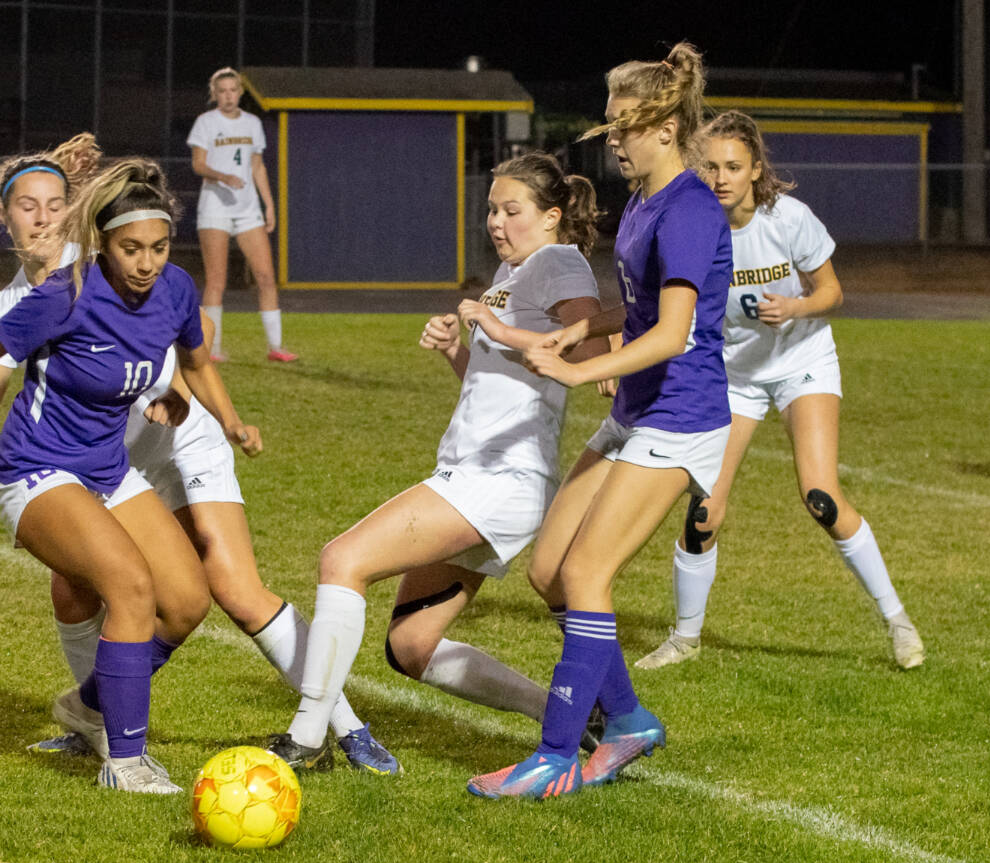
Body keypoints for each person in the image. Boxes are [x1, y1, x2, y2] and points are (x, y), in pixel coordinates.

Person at [0, 144, 400, 775]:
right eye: (25, 207)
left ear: (78, 215)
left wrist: (185, 398)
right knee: (76, 588)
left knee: (229, 588)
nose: (41, 219)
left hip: (185, 435)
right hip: (102, 462)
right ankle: (99, 718)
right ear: (2, 218)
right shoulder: (18, 304)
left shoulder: (123, 252)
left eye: (55, 205)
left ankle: (344, 726)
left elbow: (181, 340)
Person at [0, 158, 259, 795]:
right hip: (35, 472)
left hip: (107, 470)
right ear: (103, 243)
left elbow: (198, 361)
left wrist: (232, 421)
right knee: (129, 587)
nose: (146, 263)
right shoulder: (64, 295)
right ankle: (125, 764)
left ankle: (87, 703)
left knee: (185, 603)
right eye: (131, 249)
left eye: (158, 248)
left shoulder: (176, 289)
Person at [266, 152, 607, 772]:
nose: (497, 223)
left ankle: (308, 738)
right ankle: (565, 711)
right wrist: (459, 351)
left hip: (499, 480)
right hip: (481, 475)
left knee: (342, 560)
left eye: (513, 210)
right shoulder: (514, 269)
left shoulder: (558, 261)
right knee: (411, 646)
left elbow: (591, 342)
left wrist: (495, 328)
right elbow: (499, 383)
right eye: (492, 210)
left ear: (552, 216)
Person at [467, 41, 732, 799]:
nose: (612, 139)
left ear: (665, 127)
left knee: (587, 572)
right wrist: (581, 329)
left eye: (623, 126)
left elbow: (674, 333)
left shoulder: (686, 209)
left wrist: (581, 368)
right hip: (640, 408)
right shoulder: (647, 202)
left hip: (680, 418)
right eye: (609, 126)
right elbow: (644, 312)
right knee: (551, 572)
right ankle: (629, 721)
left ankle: (553, 756)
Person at [634, 110, 925, 671]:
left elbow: (833, 291)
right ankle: (685, 639)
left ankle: (898, 622)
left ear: (755, 169)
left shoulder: (787, 218)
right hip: (734, 377)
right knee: (703, 511)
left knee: (821, 496)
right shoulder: (694, 223)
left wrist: (795, 307)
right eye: (711, 166)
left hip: (801, 363)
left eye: (734, 167)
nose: (721, 178)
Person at [188, 66, 296, 363]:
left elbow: (257, 166)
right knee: (216, 281)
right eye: (222, 91)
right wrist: (222, 175)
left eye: (232, 90)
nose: (228, 96)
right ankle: (213, 349)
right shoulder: (206, 123)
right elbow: (198, 164)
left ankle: (276, 346)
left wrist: (268, 205)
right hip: (215, 208)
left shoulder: (251, 123)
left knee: (265, 276)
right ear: (215, 94)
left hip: (248, 210)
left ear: (240, 93)